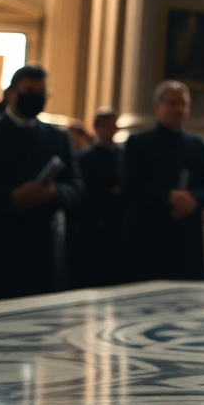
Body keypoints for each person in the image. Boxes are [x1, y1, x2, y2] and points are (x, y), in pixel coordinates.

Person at [0, 65, 82, 304]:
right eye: (29, 91)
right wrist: (12, 197)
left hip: (41, 249)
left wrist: (55, 192)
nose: (36, 98)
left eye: (42, 93)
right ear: (12, 93)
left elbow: (76, 184)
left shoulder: (57, 138)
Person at [120, 82, 204, 281]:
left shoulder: (198, 146)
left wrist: (194, 199)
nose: (179, 109)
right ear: (158, 107)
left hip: (187, 240)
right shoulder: (138, 143)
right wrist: (169, 197)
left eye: (183, 104)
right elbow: (130, 184)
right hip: (148, 238)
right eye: (173, 103)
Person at [68, 109, 124, 288]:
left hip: (117, 229)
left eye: (113, 125)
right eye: (106, 125)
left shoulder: (124, 157)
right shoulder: (84, 159)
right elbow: (80, 194)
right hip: (91, 230)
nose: (110, 130)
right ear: (96, 128)